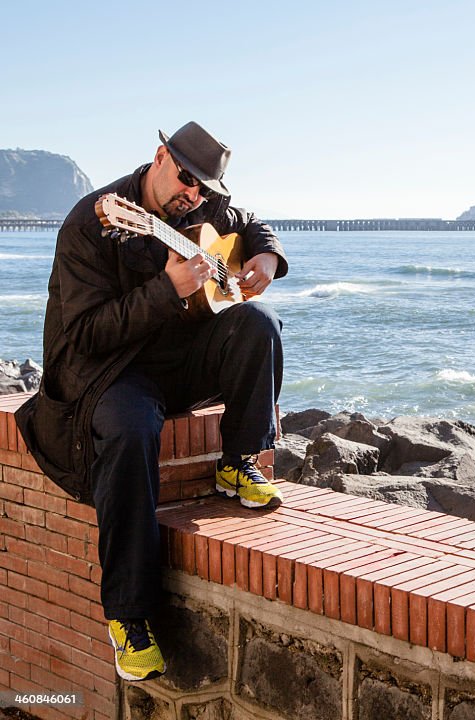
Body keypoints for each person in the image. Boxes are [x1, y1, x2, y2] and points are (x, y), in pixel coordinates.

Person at [15, 121, 288, 682]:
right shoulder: (92, 225)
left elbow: (251, 225)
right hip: (108, 371)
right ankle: (129, 616)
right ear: (161, 156)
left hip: (174, 365)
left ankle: (238, 463)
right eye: (186, 178)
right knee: (132, 425)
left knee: (258, 321)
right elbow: (85, 335)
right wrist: (168, 291)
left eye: (204, 189)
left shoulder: (203, 208)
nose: (193, 194)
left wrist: (266, 257)